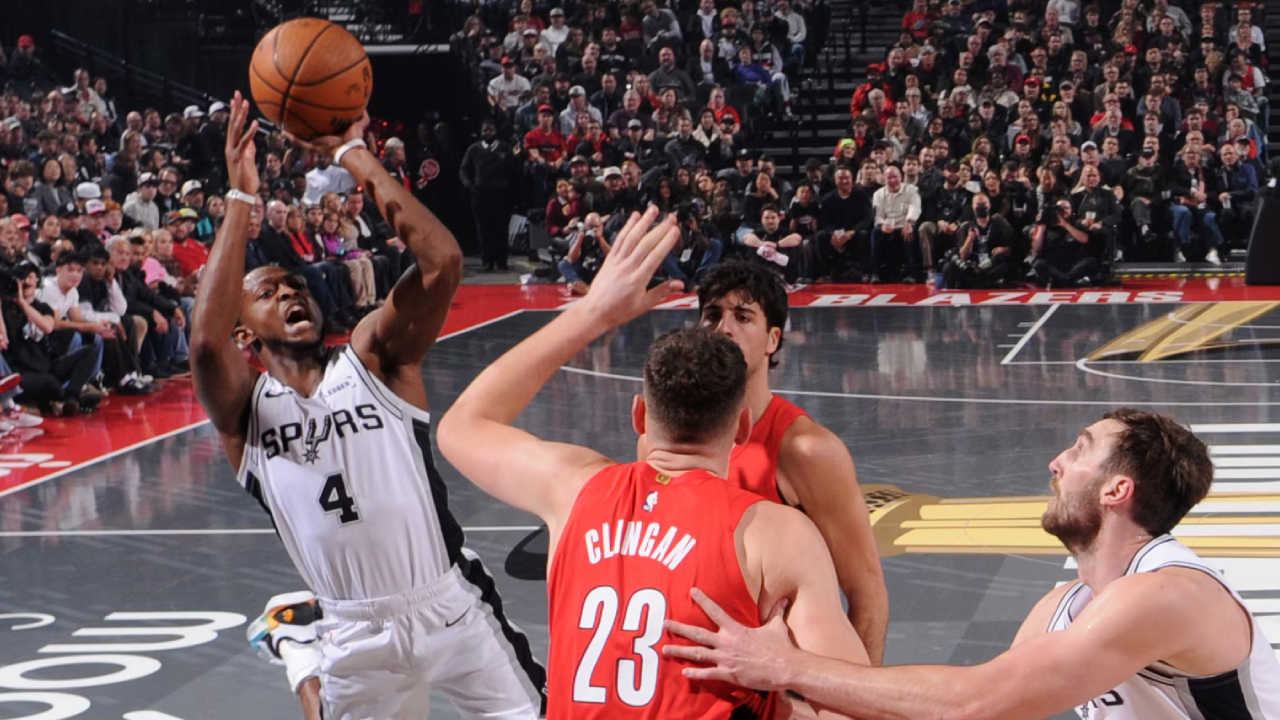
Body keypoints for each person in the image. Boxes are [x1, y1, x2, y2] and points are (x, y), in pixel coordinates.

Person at [190, 94, 544, 720]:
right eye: (267, 294)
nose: (290, 294)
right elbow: (202, 342)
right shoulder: (247, 414)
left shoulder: (375, 360)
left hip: (448, 606)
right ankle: (301, 652)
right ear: (245, 335)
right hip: (351, 630)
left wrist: (355, 155)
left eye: (296, 286)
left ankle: (299, 645)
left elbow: (443, 264)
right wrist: (241, 199)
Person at [437, 207, 869, 719]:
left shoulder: (574, 490)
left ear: (639, 414)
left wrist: (594, 312)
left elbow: (461, 425)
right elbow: (856, 706)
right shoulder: (777, 535)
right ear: (742, 427)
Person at [667, 408, 1280, 720]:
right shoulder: (1063, 608)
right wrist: (796, 696)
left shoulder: (1169, 594)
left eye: (1079, 450)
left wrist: (787, 665)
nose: (1056, 463)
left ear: (1117, 491)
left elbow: (974, 700)